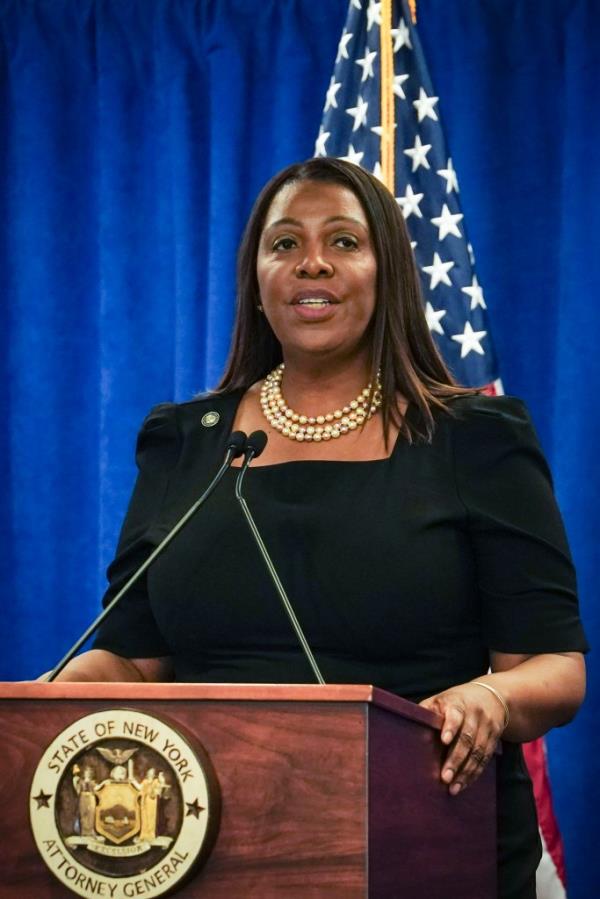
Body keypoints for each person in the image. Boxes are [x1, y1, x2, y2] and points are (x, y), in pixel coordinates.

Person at [50, 158, 588, 897]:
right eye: (284, 244)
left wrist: (487, 700)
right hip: (209, 852)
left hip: (429, 841)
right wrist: (49, 700)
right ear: (257, 279)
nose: (312, 263)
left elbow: (555, 666)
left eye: (343, 241)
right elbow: (133, 657)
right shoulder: (187, 441)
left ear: (387, 270)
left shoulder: (476, 438)